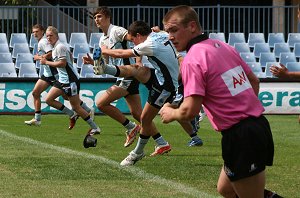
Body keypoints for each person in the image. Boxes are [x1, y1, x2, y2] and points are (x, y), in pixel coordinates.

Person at [160, 5, 279, 198]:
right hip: (258, 127)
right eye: (167, 32)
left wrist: (170, 113)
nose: (170, 37)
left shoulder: (193, 58)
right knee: (226, 189)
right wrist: (243, 108)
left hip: (240, 136)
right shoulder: (223, 46)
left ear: (192, 26)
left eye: (174, 30)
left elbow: (189, 111)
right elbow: (253, 81)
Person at [93, 20, 178, 166]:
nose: (133, 43)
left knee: (144, 118)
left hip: (166, 86)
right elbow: (166, 34)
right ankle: (161, 143)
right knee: (135, 70)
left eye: (133, 40)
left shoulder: (149, 44)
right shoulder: (160, 35)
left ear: (138, 35)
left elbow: (121, 53)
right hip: (159, 76)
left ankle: (137, 152)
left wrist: (104, 51)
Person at [83, 6, 141, 147]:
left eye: (100, 16)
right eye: (95, 17)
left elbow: (136, 39)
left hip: (128, 74)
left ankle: (131, 127)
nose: (96, 19)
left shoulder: (117, 31)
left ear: (108, 18)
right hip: (121, 75)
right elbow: (106, 63)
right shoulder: (103, 39)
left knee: (101, 103)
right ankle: (161, 142)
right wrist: (93, 62)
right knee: (139, 115)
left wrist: (139, 61)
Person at [40, 26, 100, 135]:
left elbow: (62, 63)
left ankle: (95, 127)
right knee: (49, 99)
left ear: (56, 36)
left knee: (76, 107)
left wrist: (46, 62)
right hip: (63, 79)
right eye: (47, 36)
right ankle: (73, 114)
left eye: (51, 35)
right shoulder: (56, 48)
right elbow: (70, 57)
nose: (48, 38)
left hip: (70, 81)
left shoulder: (59, 47)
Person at [24, 24, 79, 129]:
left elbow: (50, 53)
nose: (35, 34)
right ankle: (37, 119)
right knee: (35, 93)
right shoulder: (42, 41)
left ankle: (82, 112)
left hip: (53, 74)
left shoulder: (43, 41)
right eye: (33, 32)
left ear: (42, 31)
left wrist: (39, 57)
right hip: (47, 74)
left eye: (37, 31)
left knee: (67, 96)